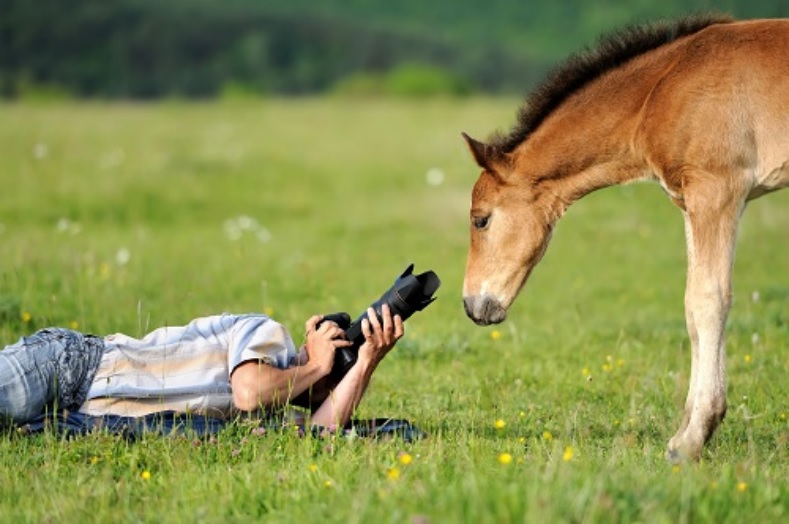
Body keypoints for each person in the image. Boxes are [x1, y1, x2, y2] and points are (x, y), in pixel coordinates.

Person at [0, 305, 404, 431]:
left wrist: (366, 362)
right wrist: (317, 364)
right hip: (70, 365)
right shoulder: (266, 333)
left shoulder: (270, 417)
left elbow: (322, 434)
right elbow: (248, 392)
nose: (323, 394)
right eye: (332, 380)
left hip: (79, 418)